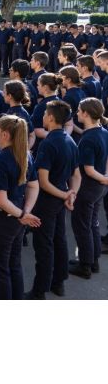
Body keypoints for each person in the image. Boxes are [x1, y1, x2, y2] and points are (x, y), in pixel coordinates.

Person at [26, 100, 80, 299]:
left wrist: (66, 194)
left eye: (44, 114)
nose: (42, 117)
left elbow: (43, 181)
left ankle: (39, 290)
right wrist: (71, 193)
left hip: (47, 201)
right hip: (60, 199)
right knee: (59, 240)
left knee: (44, 246)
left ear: (50, 117)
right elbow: (77, 175)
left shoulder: (48, 143)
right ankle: (59, 282)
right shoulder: (69, 139)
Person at [0, 115, 40, 300]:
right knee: (14, 264)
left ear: (5, 134)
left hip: (1, 221)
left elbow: (1, 200)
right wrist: (25, 213)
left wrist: (23, 213)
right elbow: (33, 186)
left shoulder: (1, 160)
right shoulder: (25, 155)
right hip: (16, 220)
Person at [69, 98, 108, 278]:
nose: (76, 113)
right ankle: (94, 261)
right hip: (99, 187)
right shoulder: (104, 132)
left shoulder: (88, 139)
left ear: (86, 114)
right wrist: (106, 177)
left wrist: (105, 179)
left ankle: (85, 265)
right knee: (92, 223)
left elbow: (89, 170)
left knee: (82, 225)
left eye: (78, 110)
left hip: (88, 188)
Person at [3, 80, 36, 150]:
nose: (3, 94)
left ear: (10, 96)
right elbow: (32, 135)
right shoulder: (24, 112)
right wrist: (26, 151)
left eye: (4, 92)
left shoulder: (11, 115)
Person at [59, 65, 86, 142]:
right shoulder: (81, 92)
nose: (59, 80)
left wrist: (81, 131)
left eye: (61, 77)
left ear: (68, 79)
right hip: (82, 129)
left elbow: (68, 120)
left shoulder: (68, 97)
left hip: (75, 133)